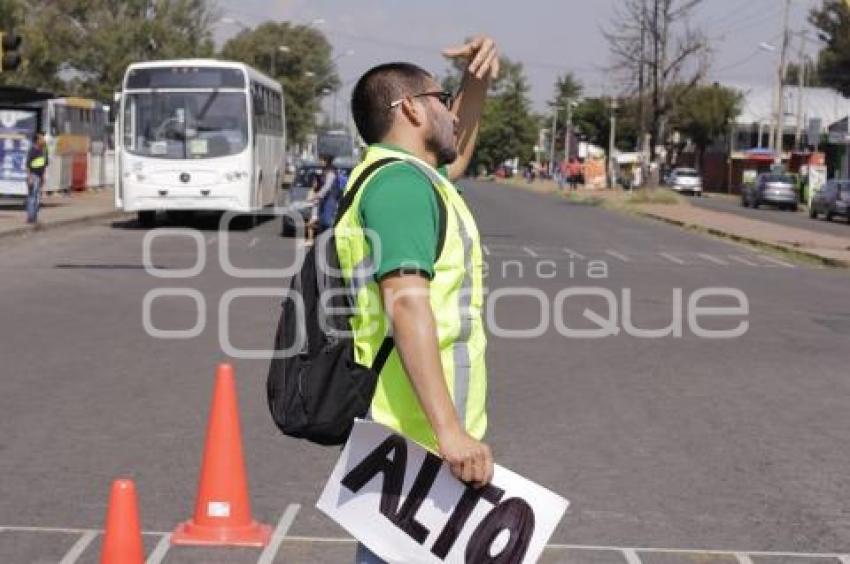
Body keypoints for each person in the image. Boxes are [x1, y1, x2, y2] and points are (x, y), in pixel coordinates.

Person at [337, 35, 499, 564]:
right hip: (418, 444)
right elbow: (406, 304)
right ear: (409, 107)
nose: (452, 113)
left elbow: (458, 151)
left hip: (416, 441)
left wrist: (477, 82)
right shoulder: (401, 189)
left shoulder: (408, 178)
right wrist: (450, 433)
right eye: (442, 98)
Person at [306, 154, 337, 245]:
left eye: (322, 160)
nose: (320, 162)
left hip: (330, 198)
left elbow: (327, 187)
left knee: (327, 221)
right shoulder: (325, 171)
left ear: (327, 161)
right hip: (324, 199)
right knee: (322, 221)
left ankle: (333, 240)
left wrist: (317, 196)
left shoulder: (331, 172)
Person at [25, 132, 48, 224]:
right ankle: (31, 218)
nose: (43, 140)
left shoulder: (43, 151)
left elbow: (44, 165)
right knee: (32, 197)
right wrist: (29, 177)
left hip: (39, 177)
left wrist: (43, 177)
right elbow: (27, 165)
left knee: (37, 198)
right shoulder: (32, 150)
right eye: (41, 139)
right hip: (33, 176)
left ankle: (34, 217)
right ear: (37, 140)